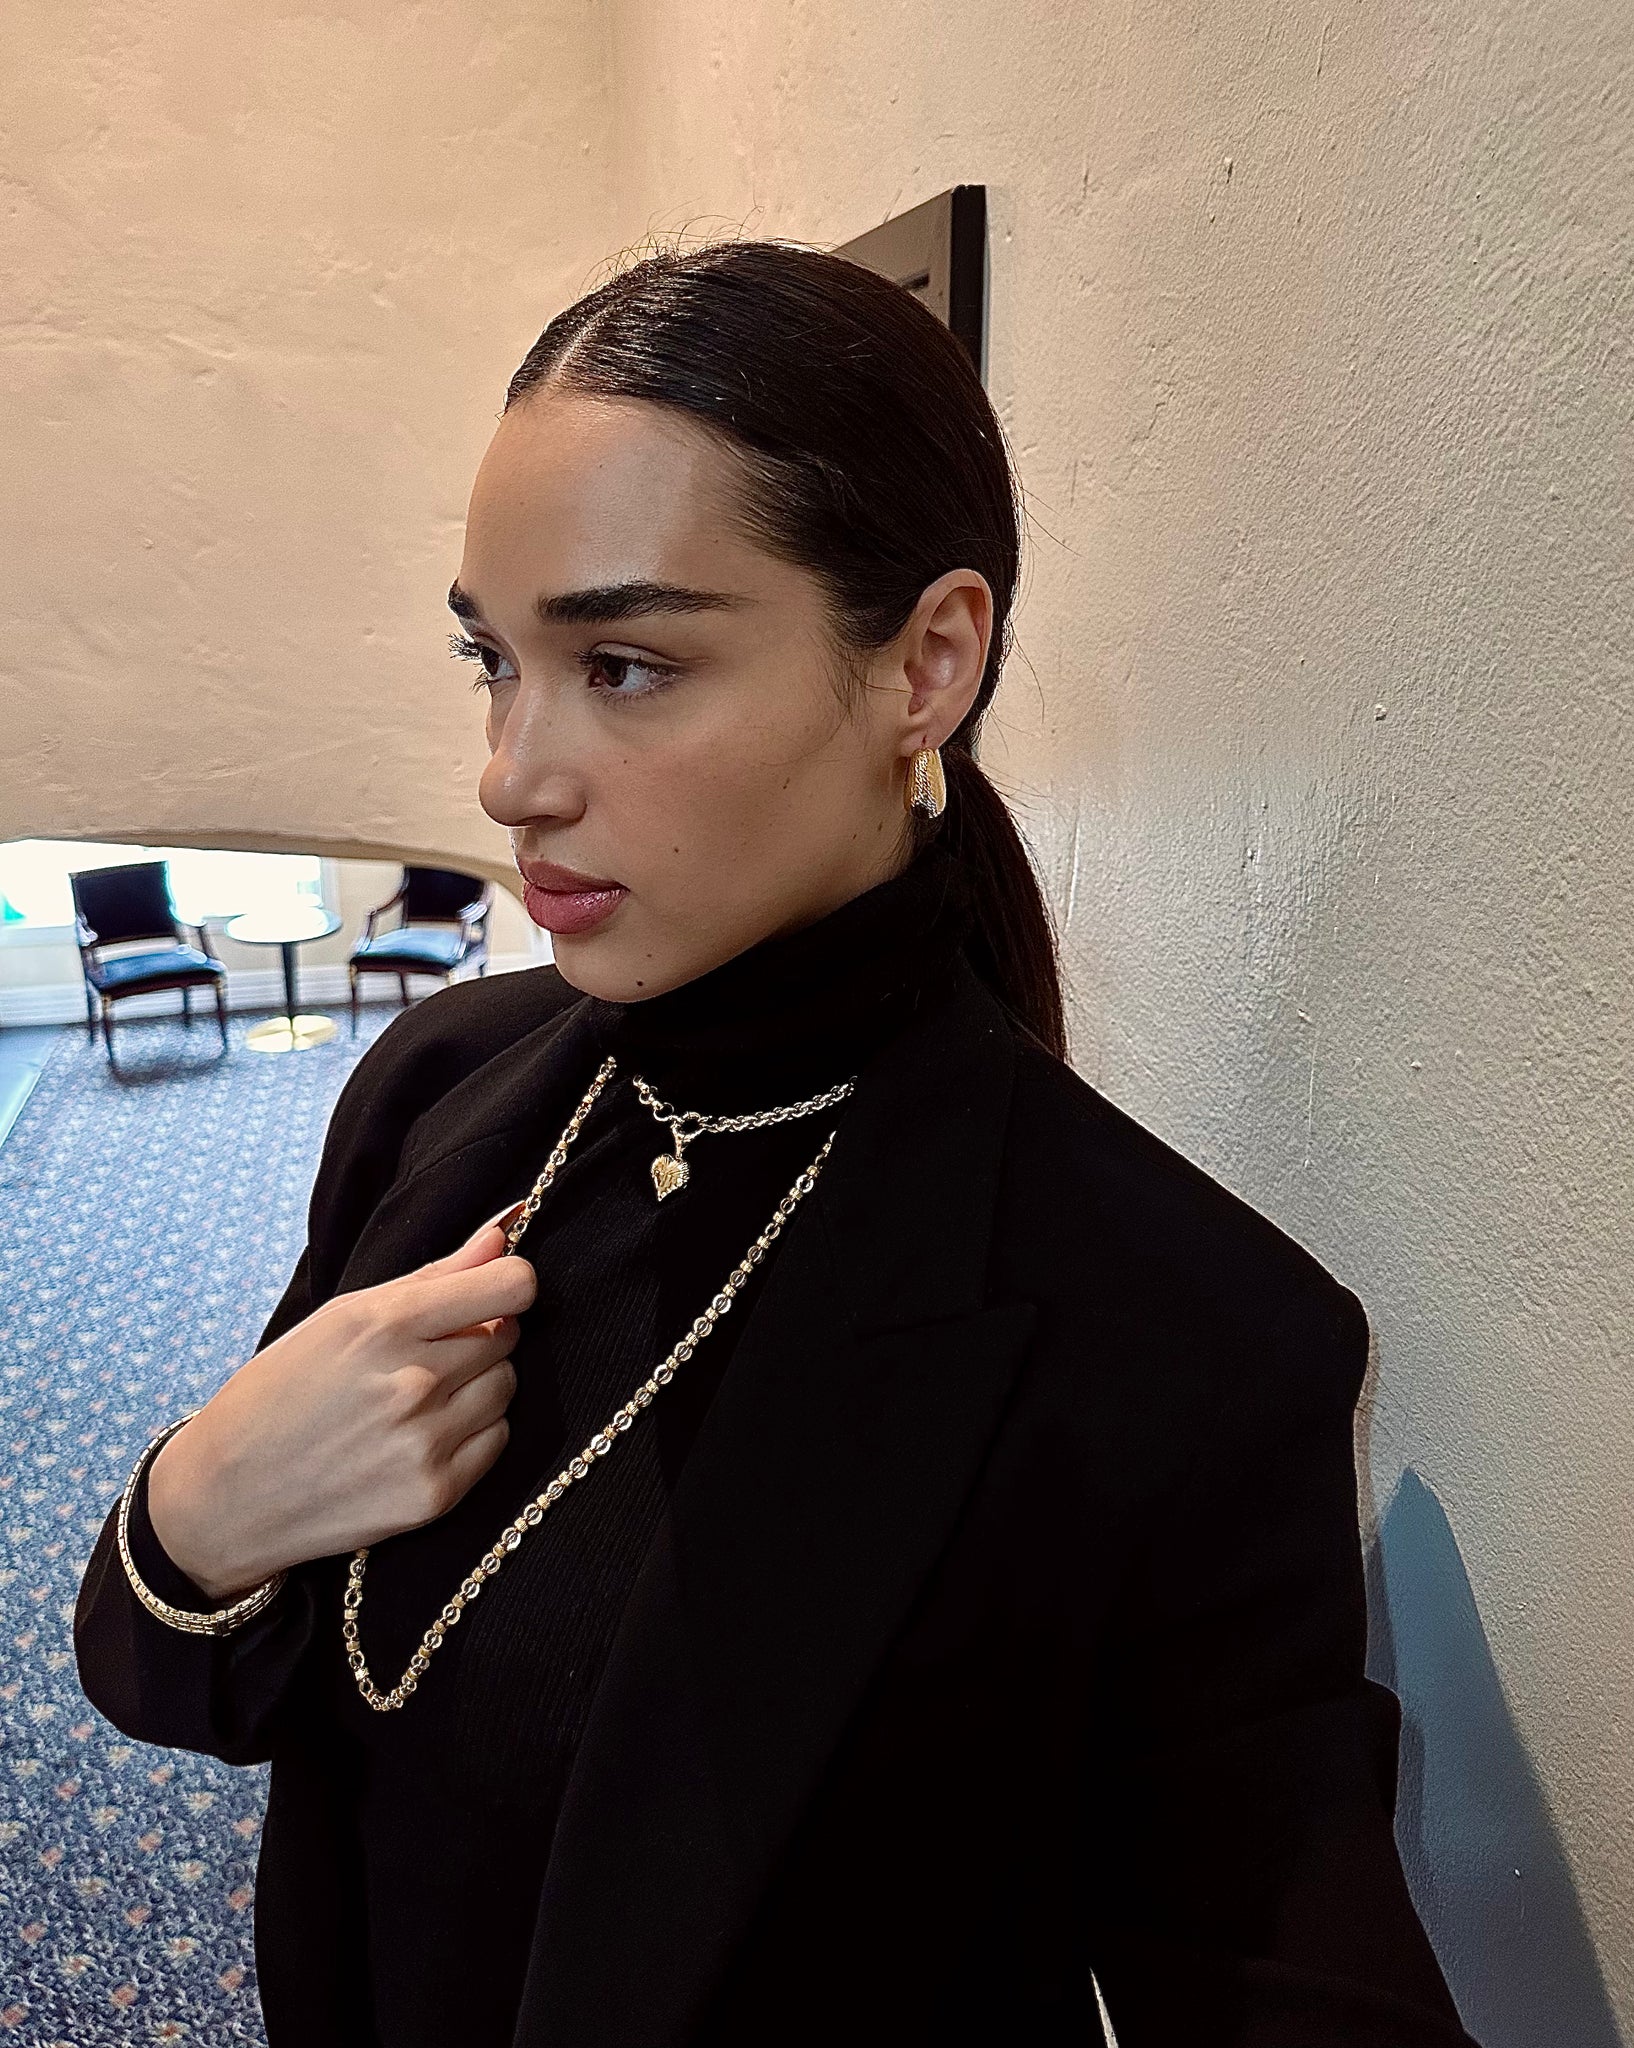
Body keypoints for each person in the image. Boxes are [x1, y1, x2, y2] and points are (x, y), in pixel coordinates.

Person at [74, 238, 1479, 2048]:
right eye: (493, 658)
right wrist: (194, 1511)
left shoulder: (1175, 1337)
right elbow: (196, 1688)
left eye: (625, 664)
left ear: (925, 665)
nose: (509, 772)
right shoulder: (439, 1090)